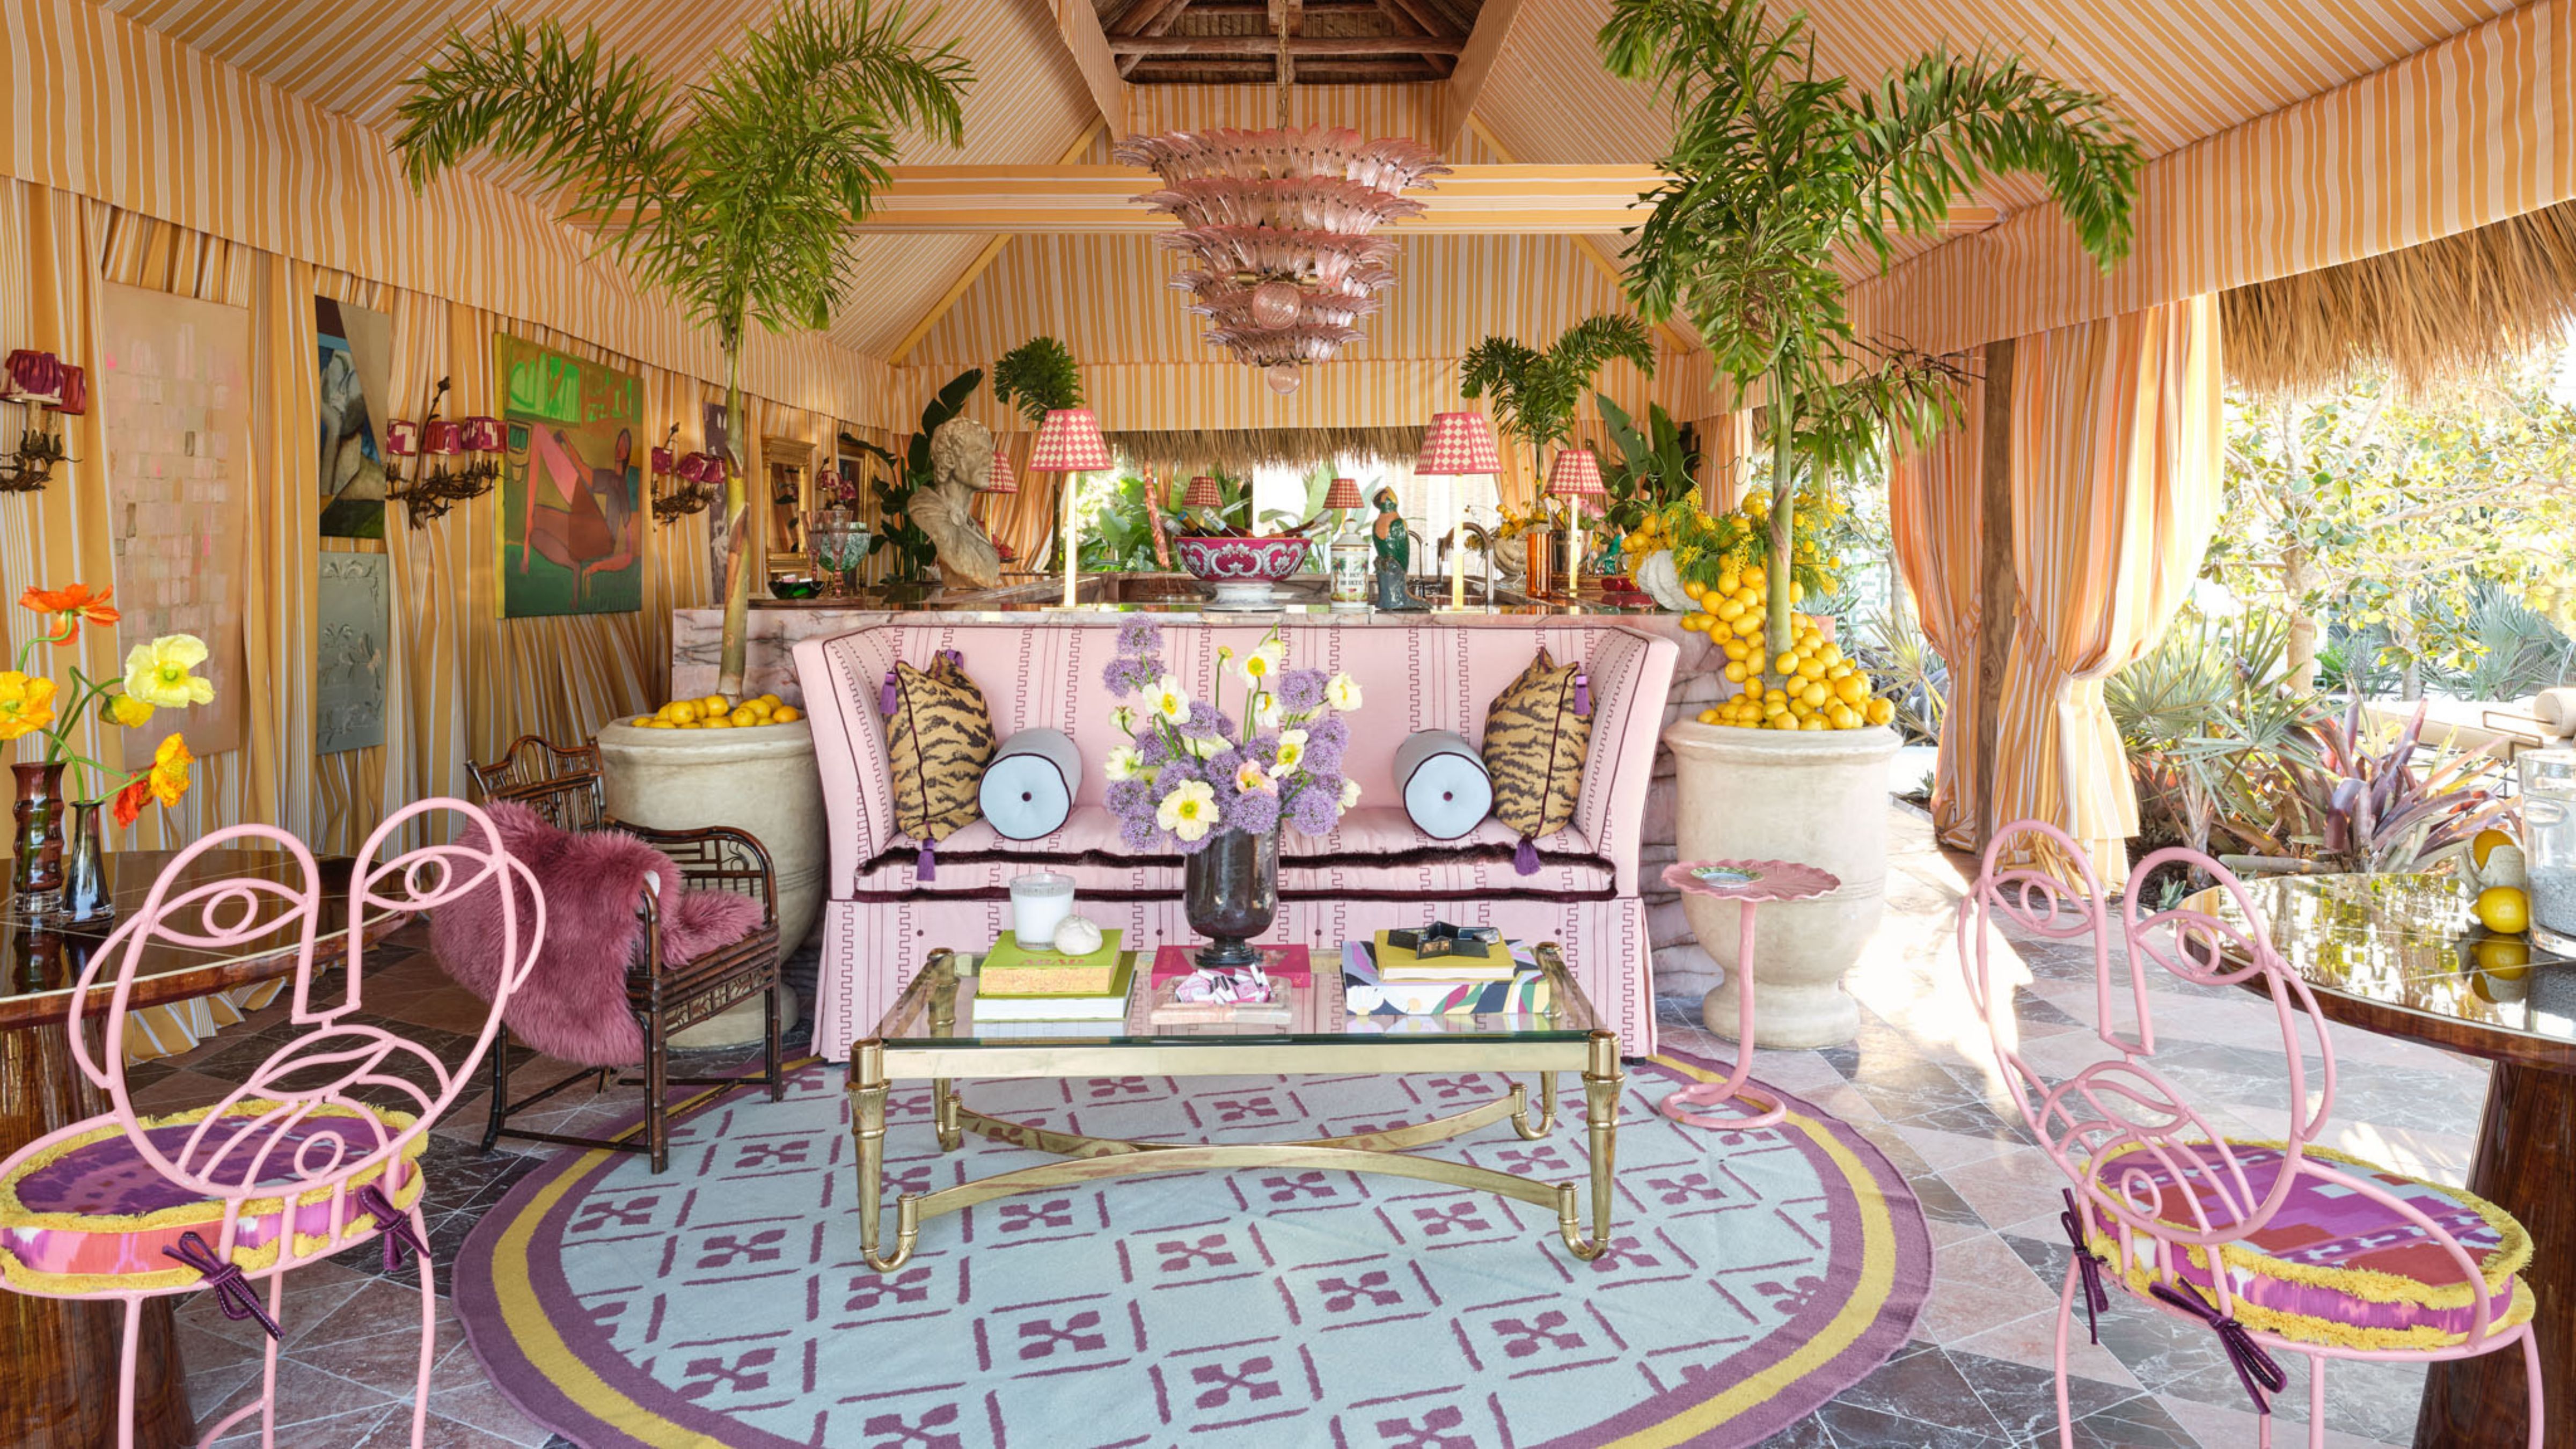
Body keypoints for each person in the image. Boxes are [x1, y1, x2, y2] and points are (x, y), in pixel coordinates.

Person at [1370, 485, 1428, 611]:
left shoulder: (1398, 523)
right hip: (1386, 563)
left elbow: (1402, 551)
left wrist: (1399, 565)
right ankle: (1390, 599)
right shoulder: (1377, 523)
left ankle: (1399, 598)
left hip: (1397, 563)